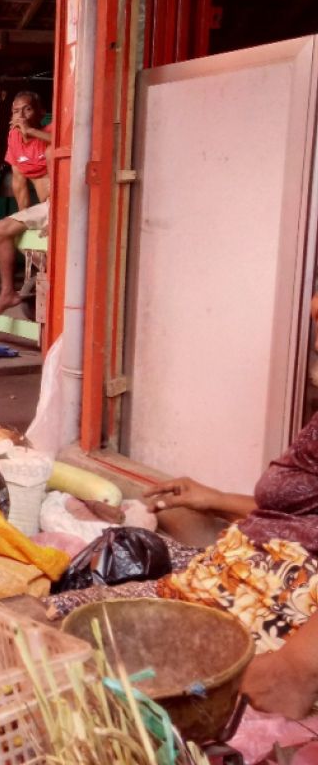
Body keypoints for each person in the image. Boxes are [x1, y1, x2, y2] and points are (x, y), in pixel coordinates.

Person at [145, 293, 318, 718]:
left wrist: (297, 666)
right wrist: (216, 500)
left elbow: (285, 681)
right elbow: (299, 514)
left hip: (272, 611)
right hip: (229, 580)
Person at [0, 93, 52, 320]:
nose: (21, 116)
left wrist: (31, 132)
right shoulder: (13, 137)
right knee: (1, 229)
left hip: (62, 204)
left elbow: (65, 149)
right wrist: (22, 217)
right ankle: (7, 292)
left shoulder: (52, 132)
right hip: (43, 209)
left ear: (40, 113)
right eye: (16, 111)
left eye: (27, 110)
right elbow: (19, 182)